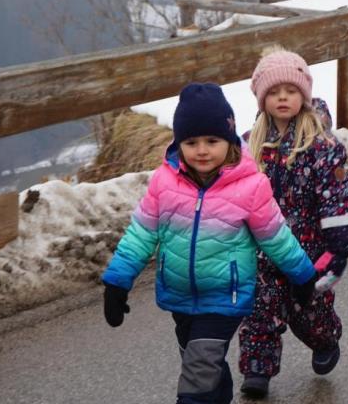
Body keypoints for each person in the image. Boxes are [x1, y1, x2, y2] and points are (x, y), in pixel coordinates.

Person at [101, 82, 318, 404]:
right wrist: (117, 282)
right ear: (179, 143)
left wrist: (302, 274)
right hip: (179, 294)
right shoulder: (164, 182)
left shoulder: (250, 186)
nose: (202, 150)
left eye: (212, 141)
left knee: (198, 372)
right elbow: (142, 233)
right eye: (191, 142)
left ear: (229, 140)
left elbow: (274, 236)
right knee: (201, 362)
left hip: (224, 296)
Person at [238, 47, 348, 398]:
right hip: (263, 250)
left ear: (302, 95)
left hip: (309, 252)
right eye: (274, 92)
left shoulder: (321, 145)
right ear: (262, 99)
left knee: (309, 313)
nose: (282, 98)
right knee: (260, 309)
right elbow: (234, 193)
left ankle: (325, 338)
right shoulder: (249, 145)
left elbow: (336, 193)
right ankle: (257, 369)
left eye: (289, 91)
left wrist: (339, 242)